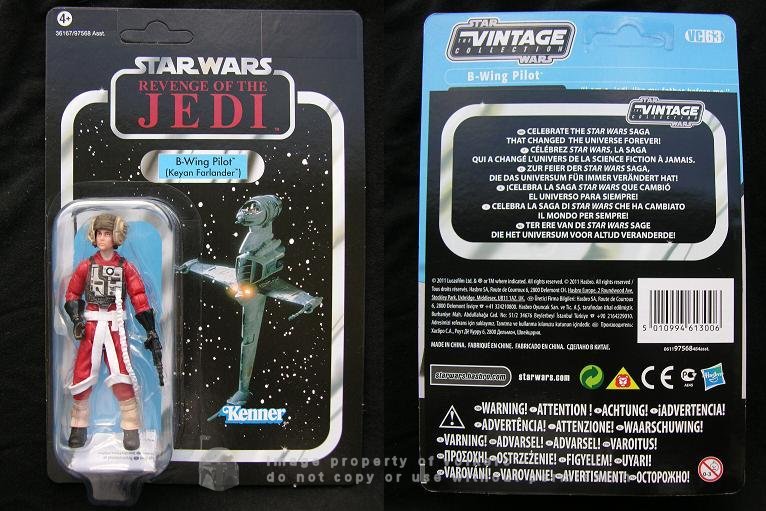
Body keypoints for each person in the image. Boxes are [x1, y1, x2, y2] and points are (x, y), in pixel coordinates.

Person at [63, 213, 159, 451]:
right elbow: (72, 293)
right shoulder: (86, 266)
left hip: (116, 328)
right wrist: (77, 319)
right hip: (91, 327)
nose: (102, 238)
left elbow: (139, 298)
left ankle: (131, 428)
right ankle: (78, 426)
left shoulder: (126, 267)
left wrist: (150, 330)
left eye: (107, 234)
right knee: (82, 375)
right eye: (99, 234)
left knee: (122, 374)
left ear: (116, 236)